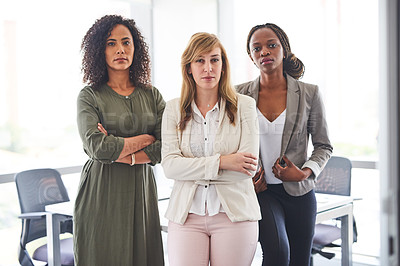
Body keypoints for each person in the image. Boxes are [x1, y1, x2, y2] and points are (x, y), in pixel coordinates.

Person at [236, 23, 333, 266]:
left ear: (284, 50)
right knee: (278, 253)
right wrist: (244, 175)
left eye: (271, 45)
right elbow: (230, 144)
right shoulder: (238, 96)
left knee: (300, 260)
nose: (264, 52)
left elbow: (323, 146)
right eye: (257, 48)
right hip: (262, 192)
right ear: (251, 56)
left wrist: (304, 172)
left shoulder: (309, 93)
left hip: (300, 193)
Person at [161, 32, 261, 266]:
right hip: (186, 217)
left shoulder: (244, 106)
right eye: (200, 60)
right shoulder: (173, 109)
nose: (208, 68)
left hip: (234, 216)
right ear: (189, 67)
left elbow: (246, 168)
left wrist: (191, 169)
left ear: (223, 66)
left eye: (215, 60)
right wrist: (223, 162)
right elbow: (170, 166)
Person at [74, 15, 165, 266]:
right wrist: (146, 138)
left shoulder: (152, 95)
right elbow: (97, 147)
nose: (120, 49)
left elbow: (168, 144)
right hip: (100, 194)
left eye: (126, 42)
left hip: (142, 195)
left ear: (136, 48)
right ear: (99, 51)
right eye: (111, 43)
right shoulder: (89, 96)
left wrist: (123, 151)